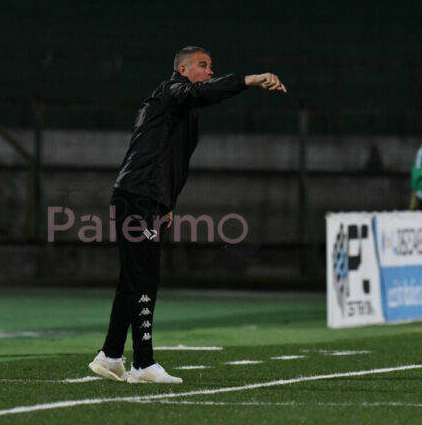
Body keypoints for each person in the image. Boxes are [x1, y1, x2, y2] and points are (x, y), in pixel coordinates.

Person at [88, 46, 287, 384]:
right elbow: (202, 94)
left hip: (146, 198)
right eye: (203, 65)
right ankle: (143, 363)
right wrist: (250, 80)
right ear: (182, 70)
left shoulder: (179, 108)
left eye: (211, 66)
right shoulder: (171, 91)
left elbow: (168, 159)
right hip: (138, 198)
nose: (209, 71)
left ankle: (110, 355)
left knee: (132, 280)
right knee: (144, 279)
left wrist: (166, 204)